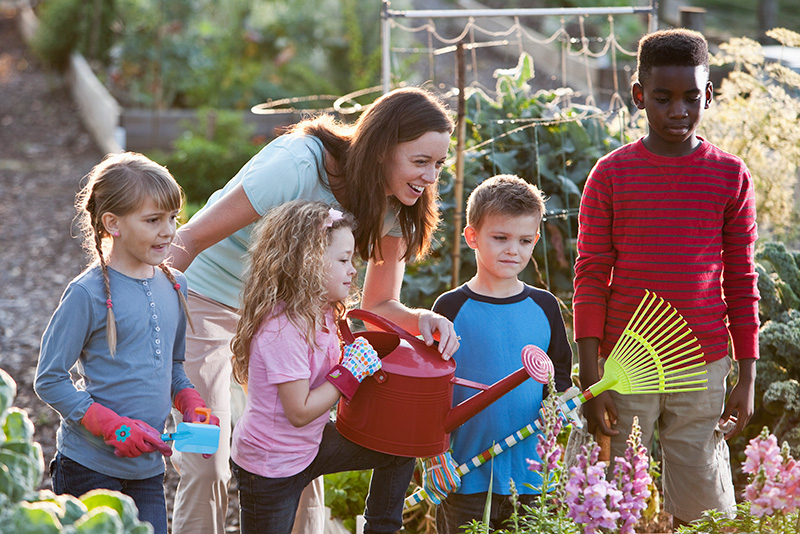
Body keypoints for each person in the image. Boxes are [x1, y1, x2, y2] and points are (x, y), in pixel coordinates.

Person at [168, 86, 460, 534]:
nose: (430, 178)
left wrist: (422, 319)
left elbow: (378, 304)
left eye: (439, 165)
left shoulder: (396, 203)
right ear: (381, 148)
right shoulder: (297, 164)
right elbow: (186, 241)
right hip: (206, 303)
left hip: (292, 320)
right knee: (204, 458)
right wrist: (137, 316)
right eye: (420, 161)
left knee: (297, 452)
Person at [573, 28, 760, 530]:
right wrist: (591, 376)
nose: (678, 110)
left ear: (709, 95)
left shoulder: (730, 175)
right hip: (625, 363)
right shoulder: (610, 175)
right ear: (640, 96)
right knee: (615, 501)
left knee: (703, 508)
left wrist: (748, 371)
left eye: (691, 98)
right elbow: (590, 276)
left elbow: (741, 278)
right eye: (663, 98)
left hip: (703, 361)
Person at [34, 152, 219, 534]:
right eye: (153, 220)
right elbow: (49, 378)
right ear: (112, 224)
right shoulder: (86, 294)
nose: (168, 231)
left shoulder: (175, 285)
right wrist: (110, 425)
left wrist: (189, 402)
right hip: (88, 467)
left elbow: (172, 366)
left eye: (173, 218)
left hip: (148, 470)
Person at [228, 200, 416, 534]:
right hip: (269, 466)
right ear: (308, 264)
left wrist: (354, 360)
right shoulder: (282, 329)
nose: (353, 270)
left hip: (309, 447)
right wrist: (349, 372)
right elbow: (299, 412)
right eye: (343, 260)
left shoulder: (324, 312)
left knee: (399, 447)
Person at [430, 175, 573, 533]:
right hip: (464, 476)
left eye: (525, 241)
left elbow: (559, 385)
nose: (513, 250)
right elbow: (431, 394)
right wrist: (435, 459)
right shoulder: (450, 307)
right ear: (472, 237)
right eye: (500, 238)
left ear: (535, 241)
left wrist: (561, 406)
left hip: (531, 478)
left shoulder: (545, 306)